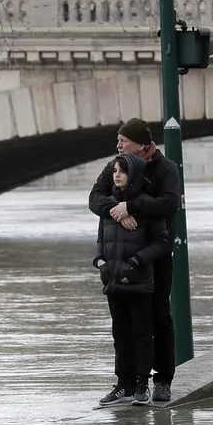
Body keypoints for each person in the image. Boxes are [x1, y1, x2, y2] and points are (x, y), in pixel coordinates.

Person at [90, 119, 180, 402]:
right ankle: (126, 383)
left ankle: (161, 379)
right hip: (120, 256)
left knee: (159, 317)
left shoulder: (166, 169)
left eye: (123, 140)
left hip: (155, 253)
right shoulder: (115, 166)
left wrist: (133, 207)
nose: (118, 145)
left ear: (142, 144)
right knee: (123, 325)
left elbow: (169, 203)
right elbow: (95, 198)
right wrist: (116, 210)